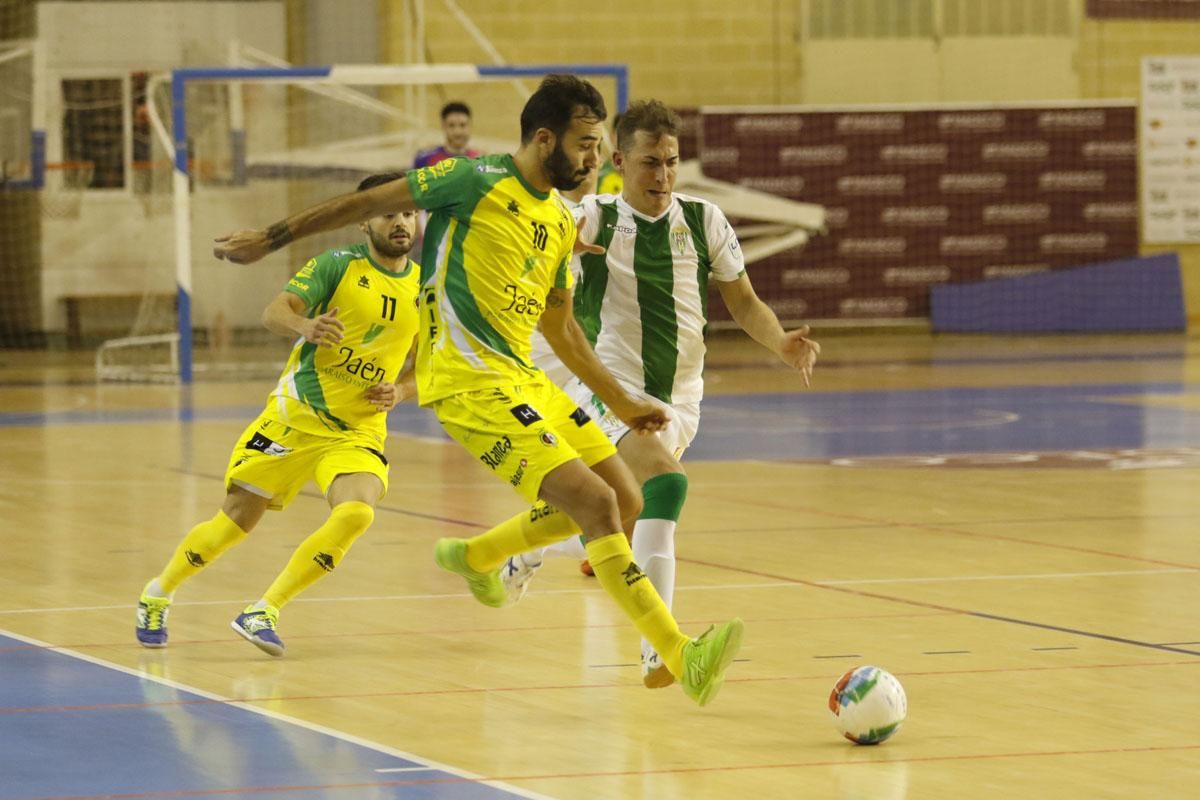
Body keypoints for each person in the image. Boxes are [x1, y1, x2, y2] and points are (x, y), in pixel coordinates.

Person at [213, 75, 744, 706]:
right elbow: (365, 203)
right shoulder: (472, 180)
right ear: (545, 138)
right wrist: (271, 238)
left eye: (599, 148)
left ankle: (480, 557)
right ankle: (681, 655)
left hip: (524, 377)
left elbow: (563, 327)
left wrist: (623, 402)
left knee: (629, 501)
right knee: (598, 506)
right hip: (468, 384)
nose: (594, 161)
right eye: (585, 146)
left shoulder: (555, 218)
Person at [498, 99, 821, 688]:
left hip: (682, 399)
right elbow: (527, 235)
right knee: (666, 486)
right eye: (649, 163)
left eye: (671, 163)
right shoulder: (591, 217)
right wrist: (546, 248)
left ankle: (529, 550)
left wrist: (781, 342)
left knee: (622, 519)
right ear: (620, 160)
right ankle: (663, 647)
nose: (662, 176)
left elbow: (742, 300)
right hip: (611, 387)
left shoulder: (704, 220)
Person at [136, 173, 421, 656]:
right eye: (389, 212)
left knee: (356, 512)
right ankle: (157, 593)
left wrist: (404, 390)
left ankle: (264, 609)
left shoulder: (426, 287)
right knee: (234, 522)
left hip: (358, 429)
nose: (401, 222)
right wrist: (305, 325)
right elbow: (275, 310)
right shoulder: (336, 266)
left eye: (409, 213)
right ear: (362, 221)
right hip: (296, 416)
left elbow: (437, 366)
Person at [413, 101, 482, 168]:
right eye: (451, 125)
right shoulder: (425, 159)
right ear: (443, 126)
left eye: (462, 125)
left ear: (470, 126)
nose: (457, 132)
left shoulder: (480, 161)